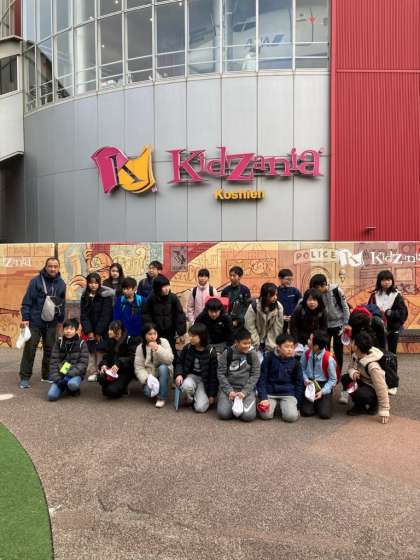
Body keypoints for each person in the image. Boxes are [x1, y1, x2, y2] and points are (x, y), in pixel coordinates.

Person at [19, 257, 66, 389]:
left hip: (52, 322)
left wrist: (60, 321)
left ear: (58, 268)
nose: (52, 269)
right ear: (45, 267)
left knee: (50, 349)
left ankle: (46, 375)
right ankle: (24, 377)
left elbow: (62, 304)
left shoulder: (61, 284)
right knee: (30, 349)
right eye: (50, 266)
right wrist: (25, 318)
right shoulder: (36, 281)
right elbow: (27, 301)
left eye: (55, 266)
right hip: (35, 321)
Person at [342, 332, 390, 423]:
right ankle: (360, 406)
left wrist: (384, 409)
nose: (351, 343)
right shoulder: (356, 355)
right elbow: (350, 368)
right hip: (363, 381)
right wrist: (353, 372)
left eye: (353, 342)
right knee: (345, 378)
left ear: (356, 347)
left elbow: (381, 388)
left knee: (360, 393)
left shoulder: (373, 366)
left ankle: (374, 404)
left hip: (373, 387)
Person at [256, 334, 304, 422]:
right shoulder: (269, 358)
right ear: (278, 347)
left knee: (291, 417)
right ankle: (275, 405)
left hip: (288, 393)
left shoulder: (296, 363)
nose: (290, 349)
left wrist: (297, 405)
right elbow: (262, 379)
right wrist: (263, 397)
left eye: (292, 347)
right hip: (270, 392)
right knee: (265, 415)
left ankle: (285, 406)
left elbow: (299, 384)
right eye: (286, 346)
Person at [216, 328, 260, 422]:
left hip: (246, 389)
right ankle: (232, 404)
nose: (248, 346)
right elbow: (221, 373)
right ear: (236, 342)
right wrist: (229, 391)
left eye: (249, 343)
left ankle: (245, 403)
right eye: (245, 343)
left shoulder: (253, 354)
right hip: (229, 389)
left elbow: (255, 374)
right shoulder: (227, 353)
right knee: (223, 414)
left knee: (248, 417)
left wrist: (245, 392)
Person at [309, 274, 350, 373]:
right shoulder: (318, 295)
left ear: (324, 284)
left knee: (338, 350)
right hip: (325, 326)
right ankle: (327, 372)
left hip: (339, 325)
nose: (316, 291)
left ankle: (338, 372)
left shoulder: (337, 291)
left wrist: (346, 324)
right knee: (324, 350)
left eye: (317, 288)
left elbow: (345, 307)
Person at [175, 323, 218, 413]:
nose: (190, 338)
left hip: (204, 381)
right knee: (186, 386)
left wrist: (212, 395)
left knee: (200, 408)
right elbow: (179, 362)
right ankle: (192, 396)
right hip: (191, 376)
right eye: (190, 335)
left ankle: (196, 397)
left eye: (193, 336)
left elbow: (213, 376)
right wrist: (179, 374)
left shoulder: (211, 351)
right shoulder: (188, 347)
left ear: (202, 336)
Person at [142, 275, 187, 362]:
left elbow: (179, 314)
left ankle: (173, 368)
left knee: (171, 352)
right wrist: (151, 329)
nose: (167, 289)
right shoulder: (151, 299)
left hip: (170, 331)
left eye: (168, 285)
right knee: (156, 353)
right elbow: (146, 315)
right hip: (156, 332)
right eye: (164, 287)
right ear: (158, 288)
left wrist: (181, 331)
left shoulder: (173, 298)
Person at [80, 272, 114, 382]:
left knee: (100, 350)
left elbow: (106, 315)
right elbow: (83, 315)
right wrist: (89, 331)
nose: (93, 285)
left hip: (102, 329)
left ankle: (101, 371)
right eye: (91, 283)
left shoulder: (105, 296)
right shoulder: (85, 296)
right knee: (91, 351)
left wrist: (98, 332)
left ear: (99, 283)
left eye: (95, 283)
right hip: (89, 329)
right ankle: (93, 371)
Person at [97, 320, 141, 399]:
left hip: (125, 371)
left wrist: (119, 363)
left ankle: (122, 387)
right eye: (109, 329)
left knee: (111, 391)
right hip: (112, 370)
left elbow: (132, 358)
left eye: (111, 329)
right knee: (101, 378)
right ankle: (114, 387)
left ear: (119, 331)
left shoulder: (130, 340)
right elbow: (106, 357)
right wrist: (104, 365)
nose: (109, 332)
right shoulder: (111, 341)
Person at [47, 318, 89, 401]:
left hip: (75, 373)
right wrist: (57, 379)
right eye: (66, 329)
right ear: (63, 330)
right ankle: (65, 386)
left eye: (71, 329)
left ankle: (72, 388)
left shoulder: (82, 343)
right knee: (51, 396)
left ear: (76, 330)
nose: (68, 331)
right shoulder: (59, 342)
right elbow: (53, 362)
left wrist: (68, 375)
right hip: (61, 373)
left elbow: (83, 364)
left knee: (72, 384)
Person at [134, 323, 174, 408]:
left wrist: (157, 348)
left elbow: (170, 359)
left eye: (154, 333)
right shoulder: (140, 347)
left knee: (163, 368)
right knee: (148, 393)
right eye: (149, 334)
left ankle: (161, 398)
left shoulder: (163, 342)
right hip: (150, 376)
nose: (152, 336)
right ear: (144, 335)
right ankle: (160, 388)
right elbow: (139, 367)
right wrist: (146, 378)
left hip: (163, 372)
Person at [368, 270, 408, 354]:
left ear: (392, 281)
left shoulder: (397, 295)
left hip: (393, 328)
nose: (386, 282)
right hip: (377, 329)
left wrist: (387, 312)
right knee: (379, 352)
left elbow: (402, 313)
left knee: (392, 353)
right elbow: (369, 310)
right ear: (379, 281)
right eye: (383, 280)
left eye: (389, 280)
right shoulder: (374, 295)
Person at [300, 331, 337, 419]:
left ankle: (323, 400)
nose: (308, 341)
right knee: (306, 412)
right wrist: (305, 379)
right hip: (310, 383)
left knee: (324, 414)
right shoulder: (306, 353)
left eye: (310, 340)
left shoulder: (329, 359)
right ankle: (317, 403)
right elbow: (301, 368)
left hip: (323, 384)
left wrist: (323, 391)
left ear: (316, 346)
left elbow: (333, 379)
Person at [244, 282, 284, 361]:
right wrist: (256, 343)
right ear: (265, 295)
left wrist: (270, 346)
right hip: (255, 340)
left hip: (271, 341)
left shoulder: (279, 307)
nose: (275, 297)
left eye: (276, 295)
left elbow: (277, 328)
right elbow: (250, 327)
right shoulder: (254, 306)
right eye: (272, 295)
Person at [277, 269, 301, 334]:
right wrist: (281, 317)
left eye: (291, 280)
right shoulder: (276, 291)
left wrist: (294, 316)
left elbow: (300, 304)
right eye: (287, 279)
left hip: (293, 321)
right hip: (279, 321)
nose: (290, 282)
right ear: (280, 278)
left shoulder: (295, 291)